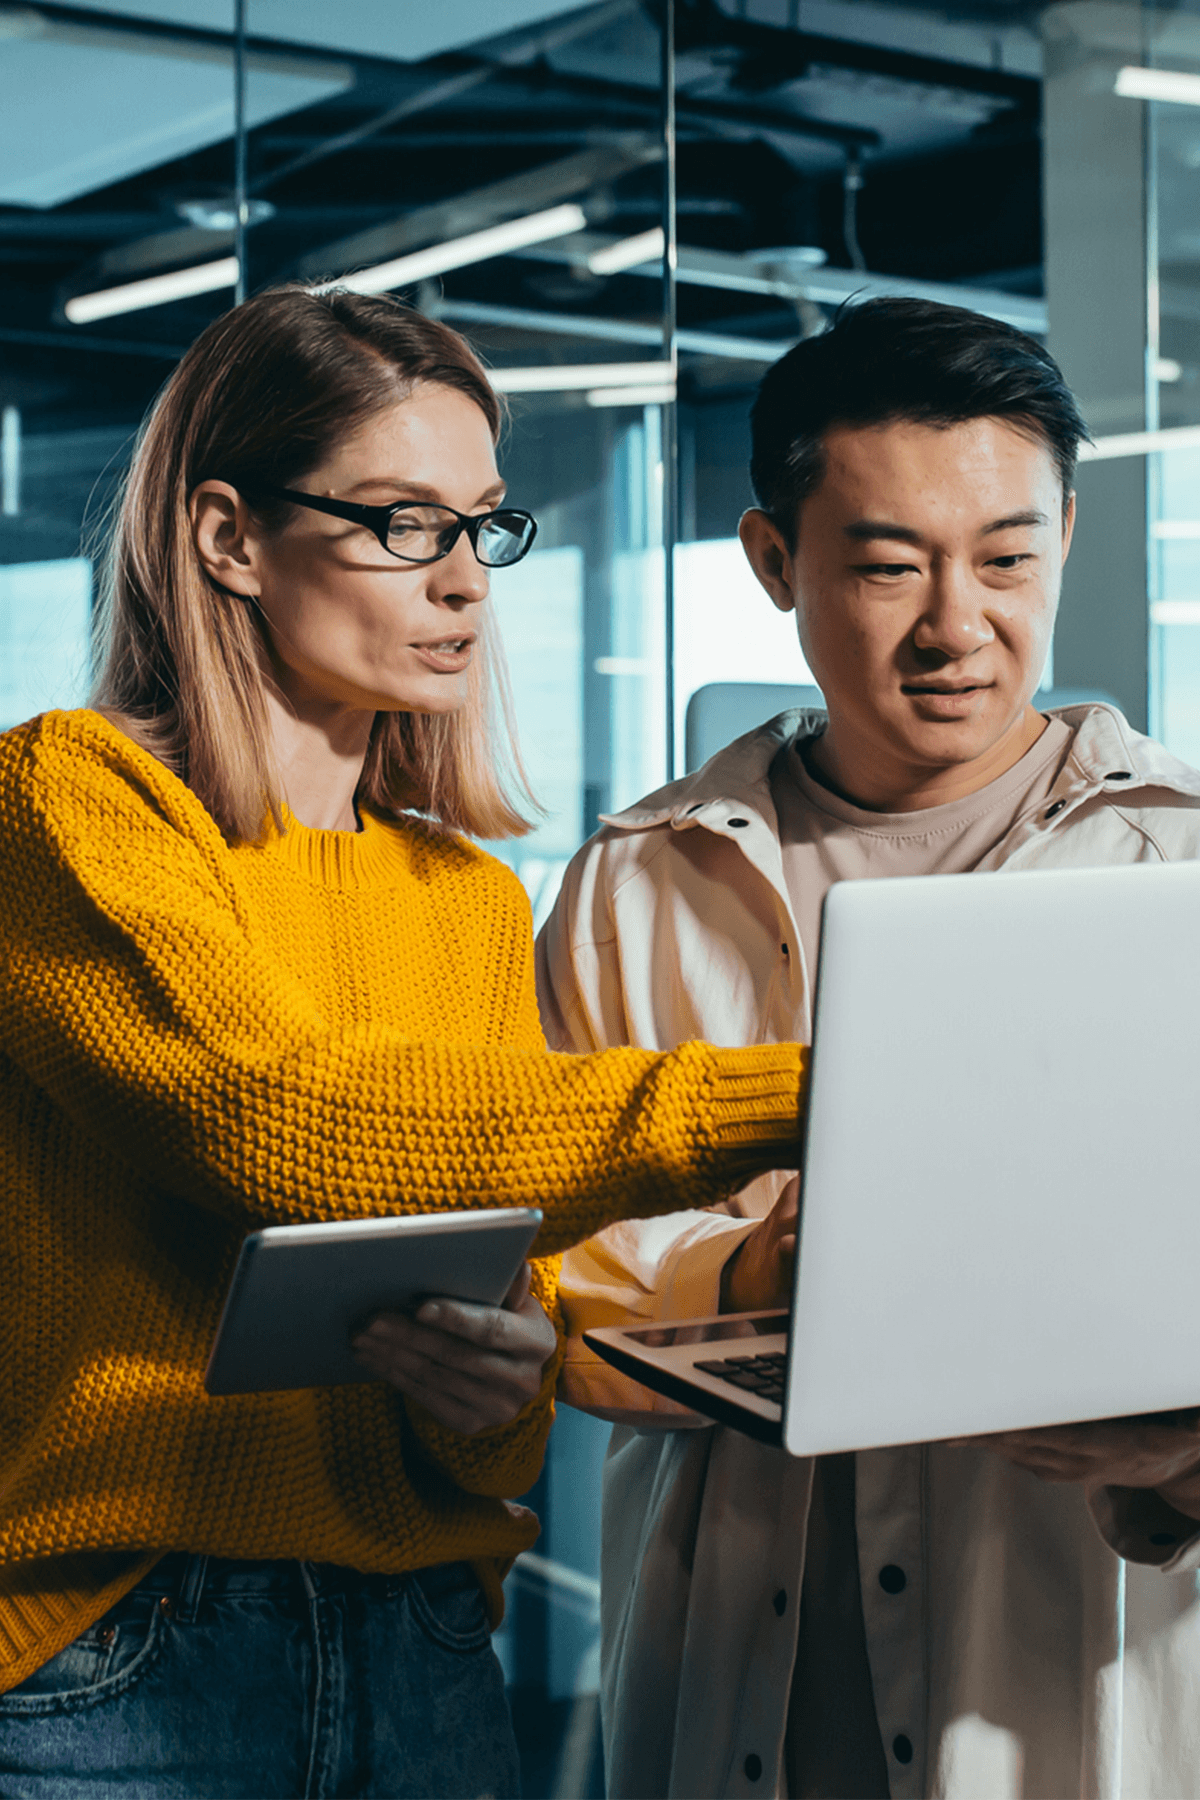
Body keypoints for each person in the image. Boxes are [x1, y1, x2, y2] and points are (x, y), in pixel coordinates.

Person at [0, 286, 809, 1799]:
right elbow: (279, 1120)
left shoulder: (468, 898)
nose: (464, 585)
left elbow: (508, 1370)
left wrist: (501, 1384)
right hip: (122, 1658)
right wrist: (796, 1101)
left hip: (427, 1660)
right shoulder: (71, 803)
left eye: (484, 527)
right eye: (399, 523)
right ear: (229, 538)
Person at [538, 298, 1200, 1800]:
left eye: (1008, 559)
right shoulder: (634, 886)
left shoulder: (1185, 869)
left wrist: (1175, 1454)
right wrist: (803, 1277)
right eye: (890, 564)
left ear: (1070, 537)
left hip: (1067, 1697)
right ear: (774, 560)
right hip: (733, 1683)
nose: (957, 623)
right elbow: (557, 1283)